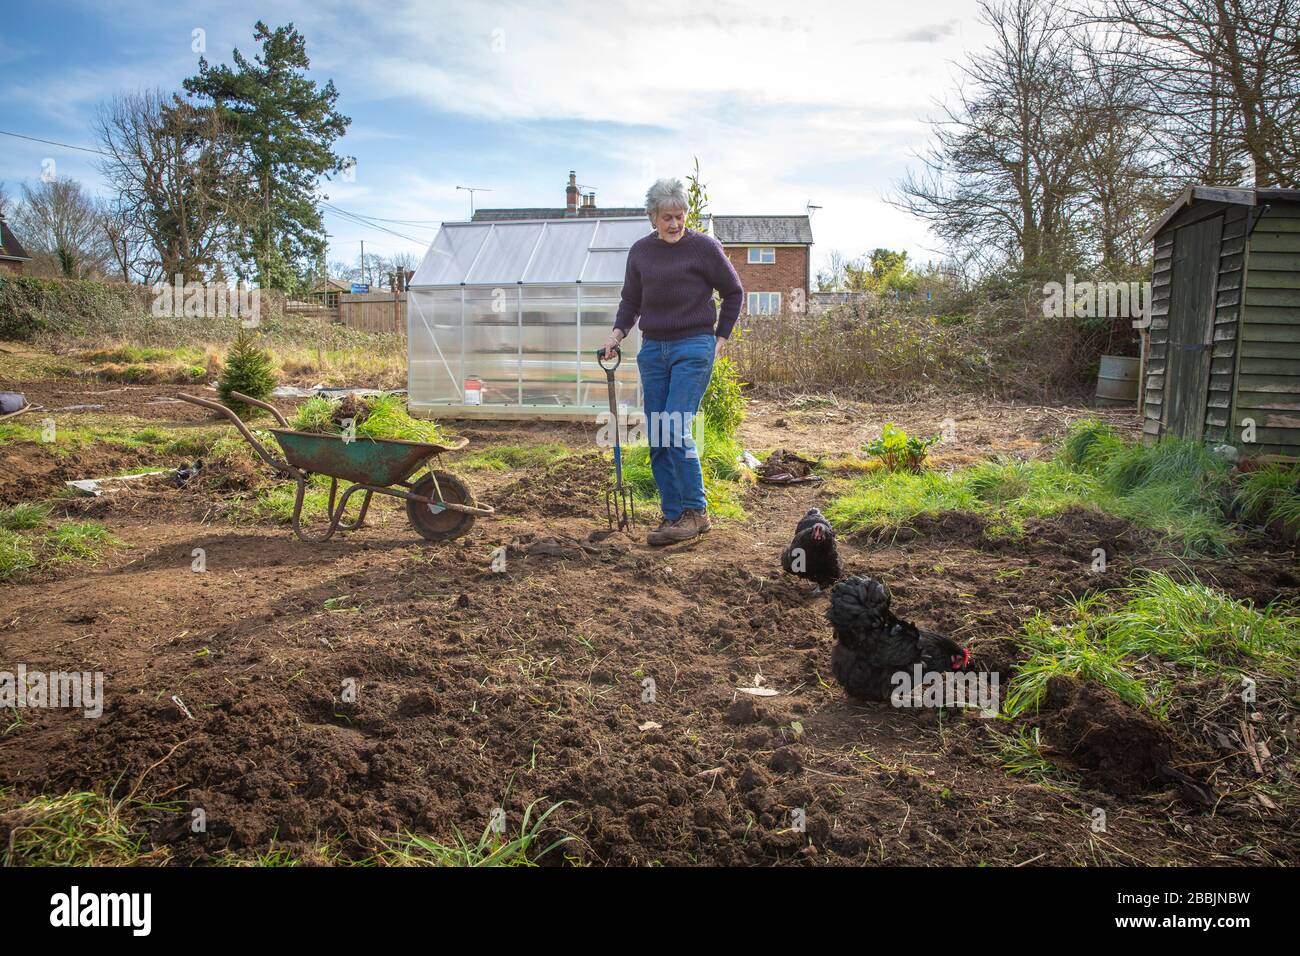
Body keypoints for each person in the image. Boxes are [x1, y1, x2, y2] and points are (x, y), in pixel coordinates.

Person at [600, 178, 743, 546]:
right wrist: (616, 337)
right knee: (658, 434)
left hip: (693, 346)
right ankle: (673, 515)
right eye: (667, 217)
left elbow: (733, 292)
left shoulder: (704, 248)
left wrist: (720, 339)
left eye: (680, 216)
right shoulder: (641, 253)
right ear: (652, 218)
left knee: (676, 427)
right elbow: (631, 301)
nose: (675, 224)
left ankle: (697, 512)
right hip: (653, 350)